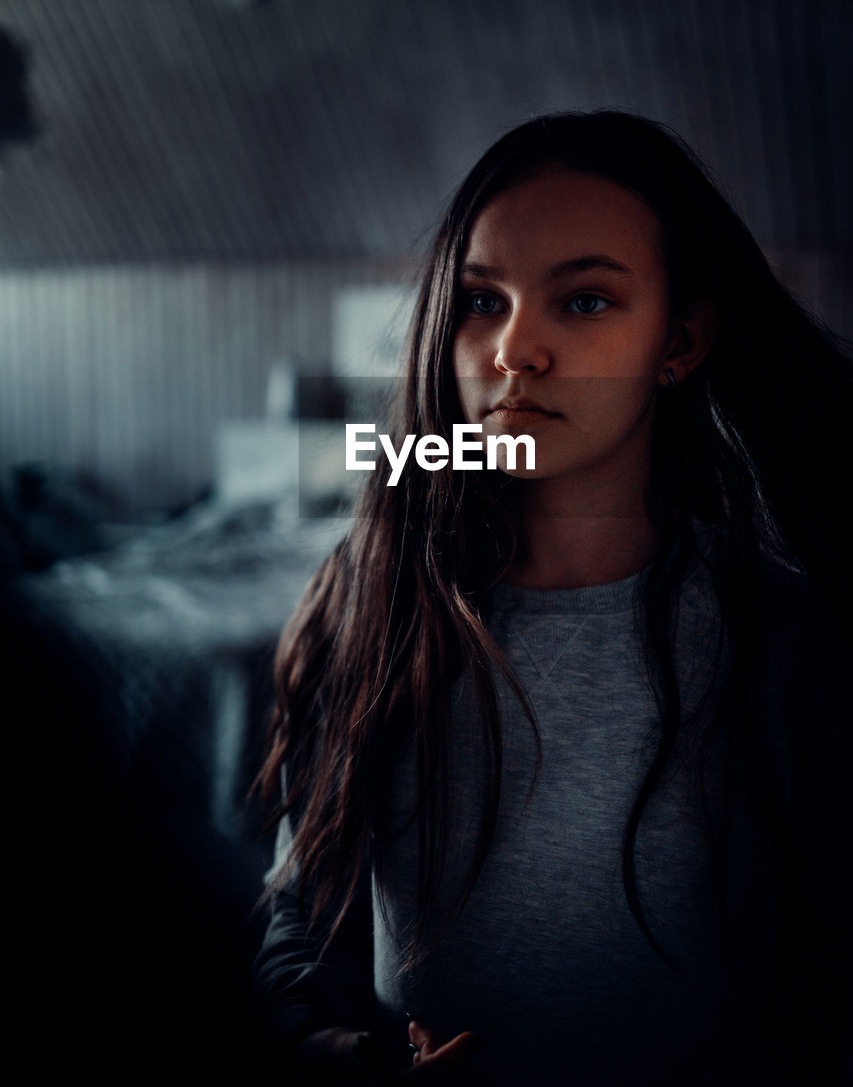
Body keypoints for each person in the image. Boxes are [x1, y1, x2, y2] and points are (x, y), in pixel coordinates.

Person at [254, 111, 852, 1085]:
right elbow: (299, 914)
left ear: (681, 339)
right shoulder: (369, 599)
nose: (512, 350)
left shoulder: (777, 632)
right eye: (481, 299)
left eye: (583, 302)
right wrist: (325, 1048)